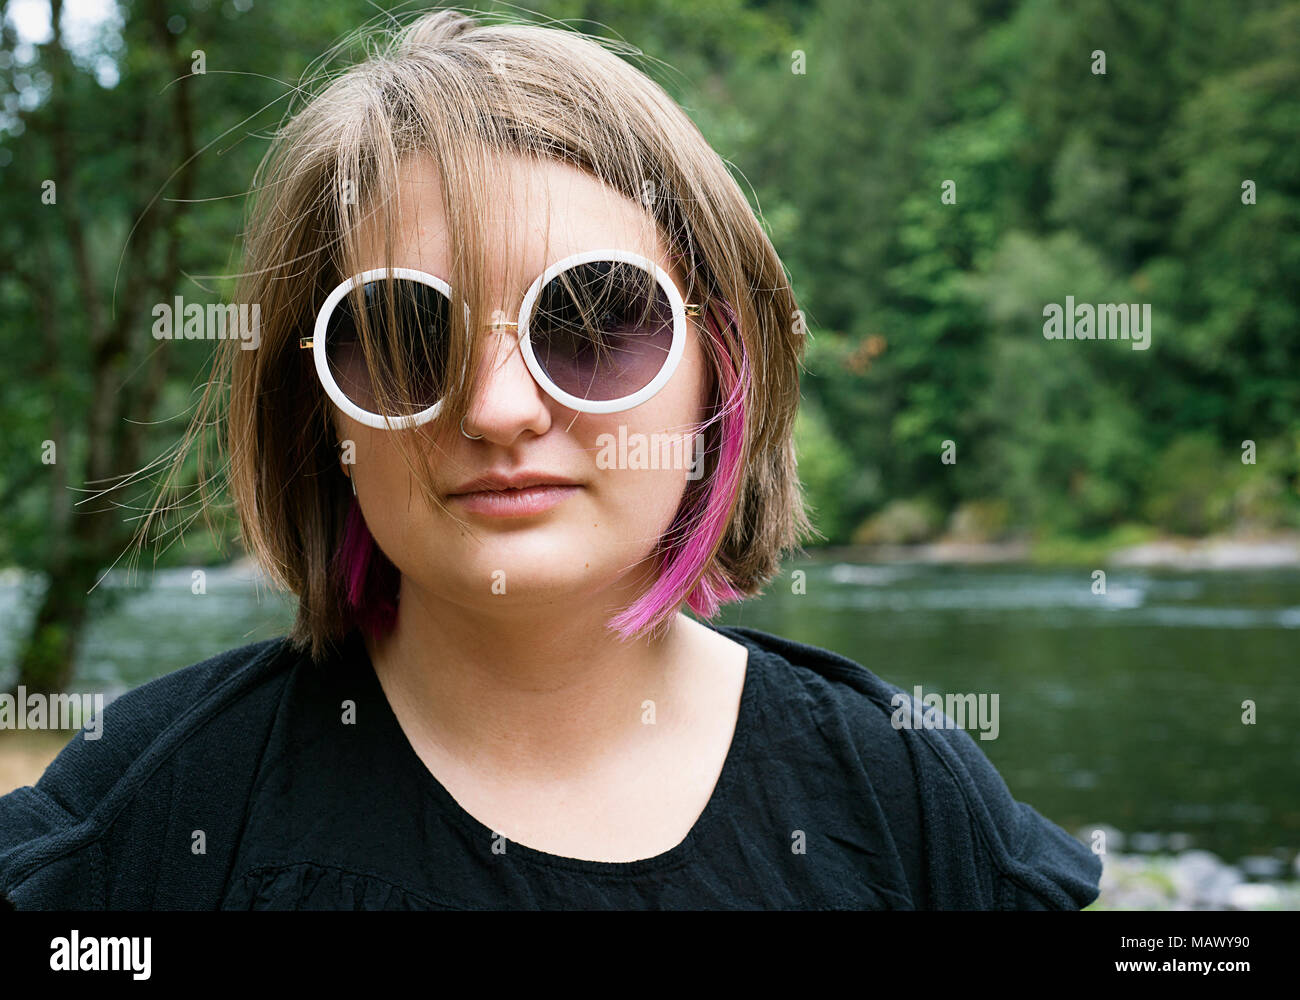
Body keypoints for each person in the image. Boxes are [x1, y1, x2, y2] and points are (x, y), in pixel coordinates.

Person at [0, 9, 1100, 910]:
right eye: (402, 336)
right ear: (317, 412)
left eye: (590, 318)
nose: (496, 408)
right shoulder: (156, 821)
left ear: (722, 367)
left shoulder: (905, 801)